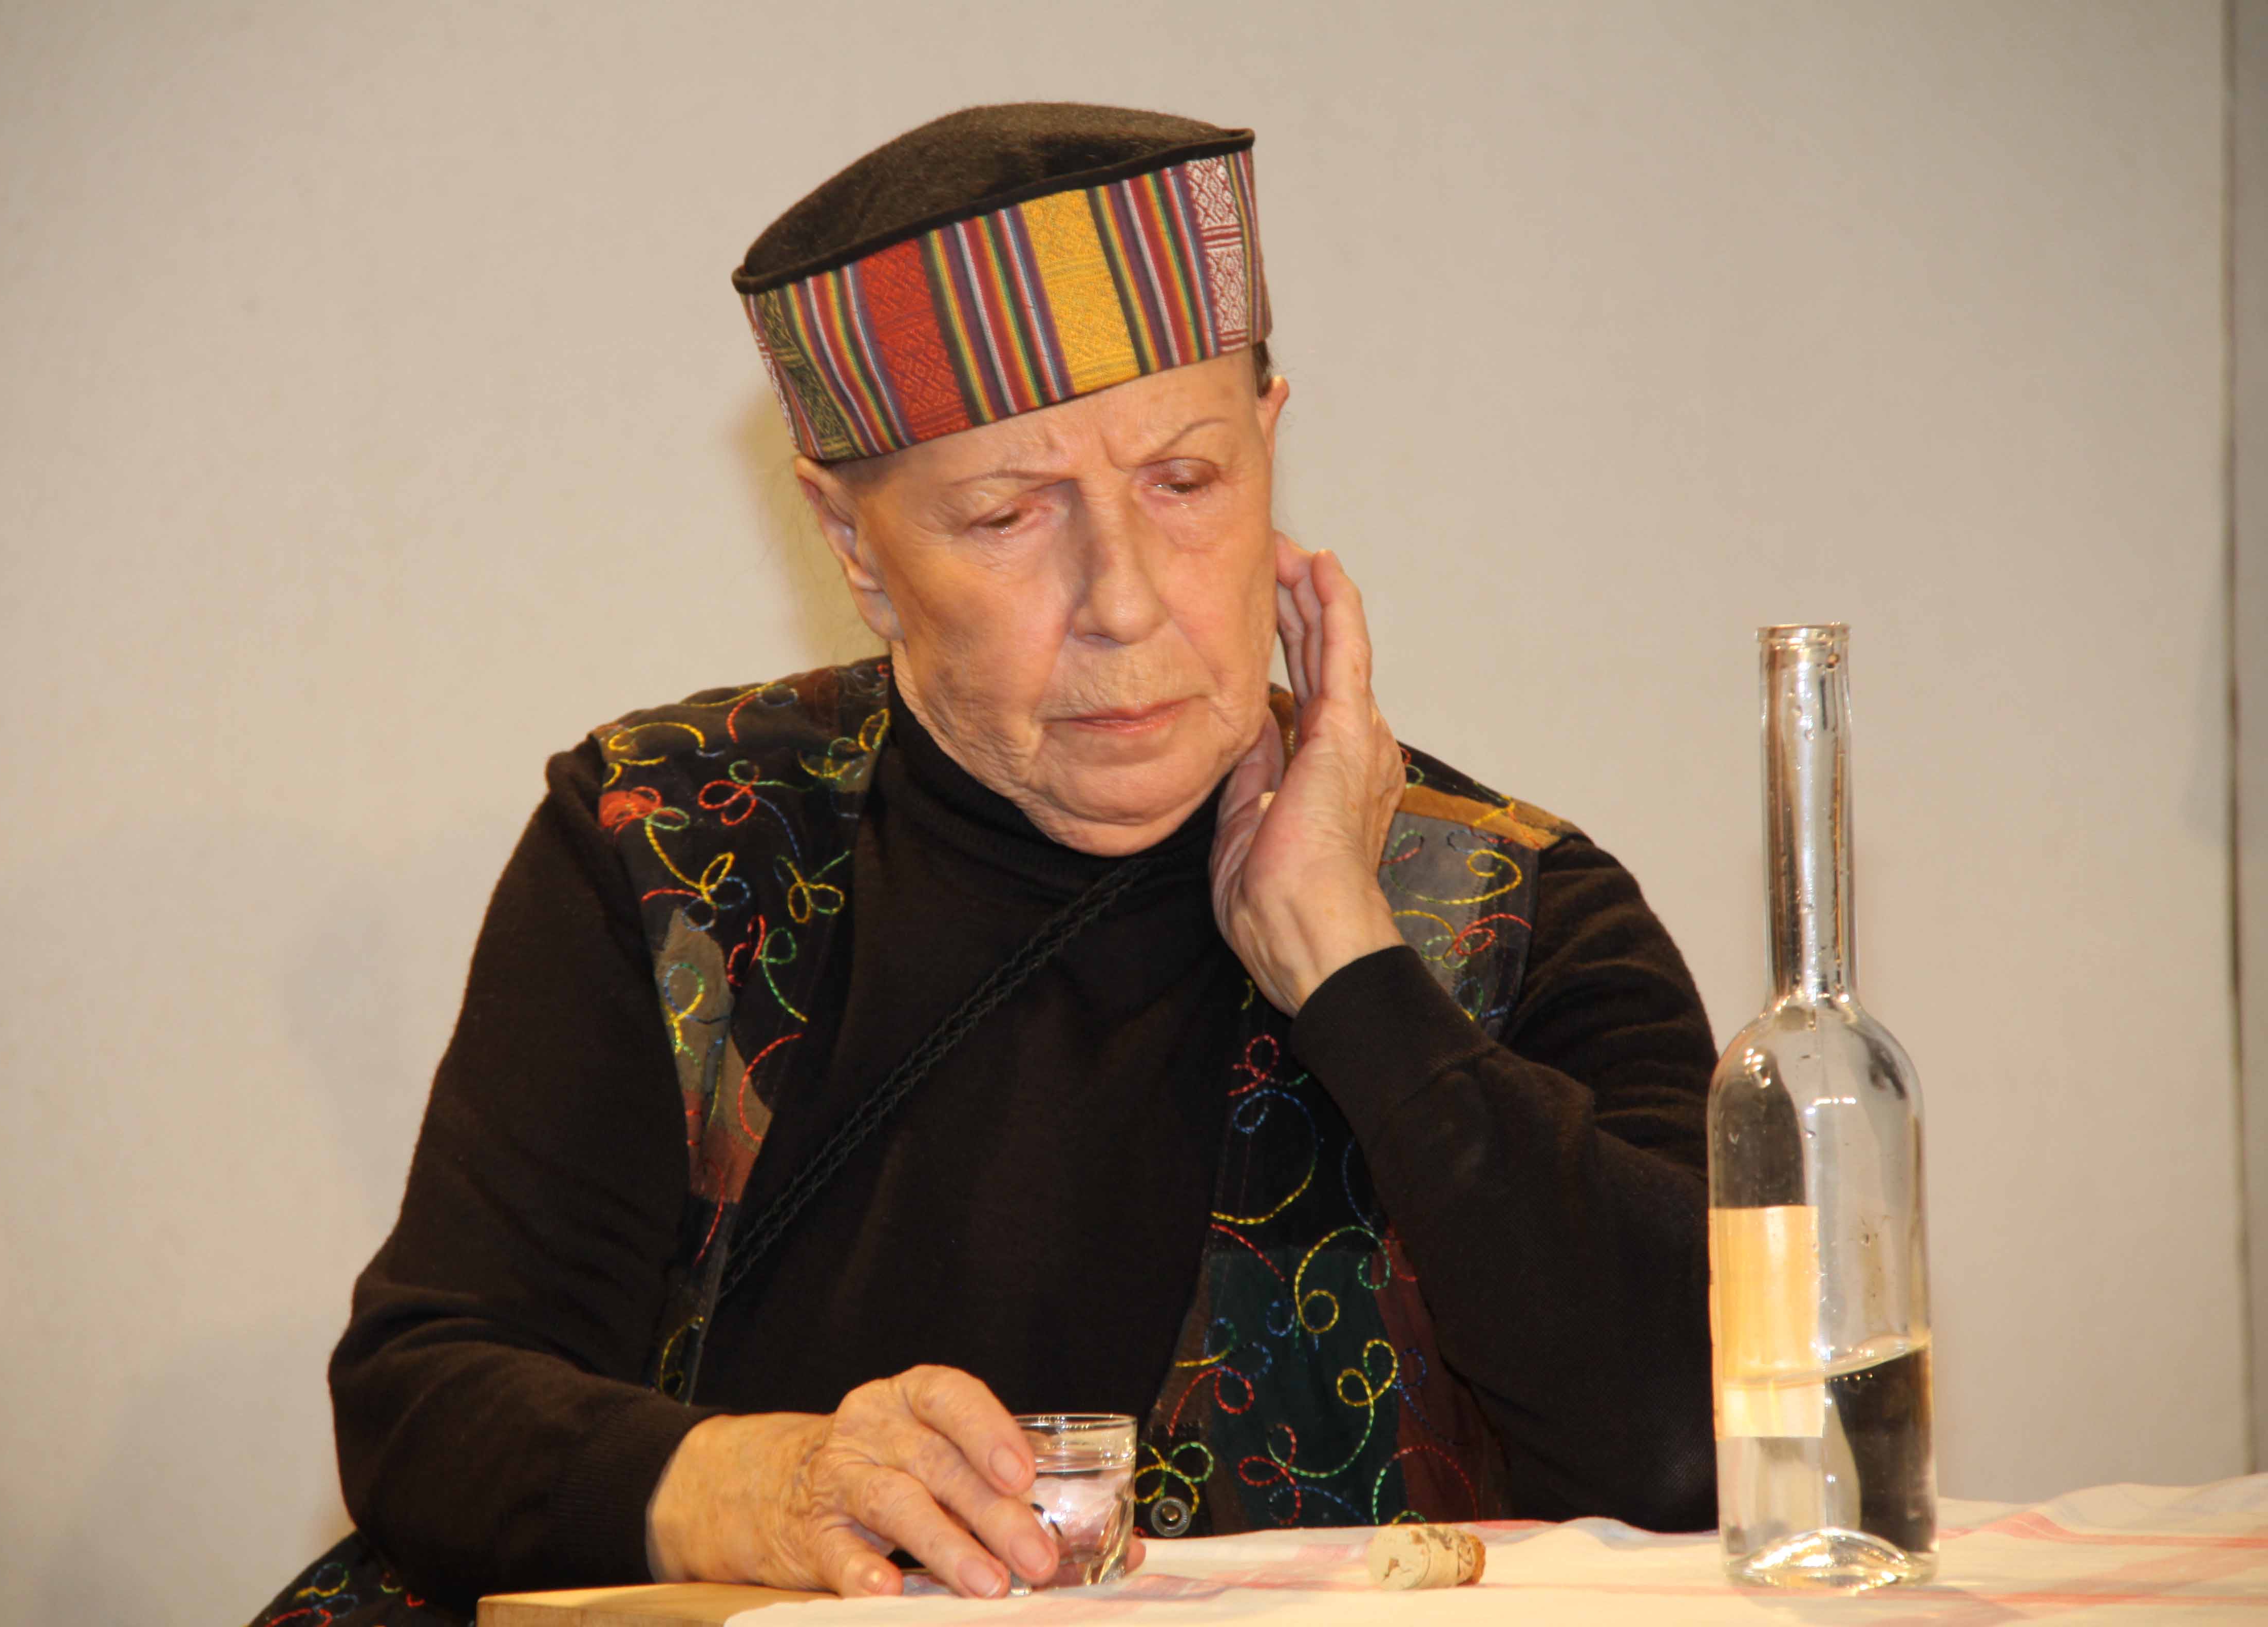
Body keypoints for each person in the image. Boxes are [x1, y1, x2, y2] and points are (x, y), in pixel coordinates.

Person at [251, 102, 1719, 1627]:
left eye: (1187, 483)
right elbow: (424, 1403)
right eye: (1010, 515)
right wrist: (763, 1485)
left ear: (1272, 447)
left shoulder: (1516, 916)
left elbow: (1712, 1451)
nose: (1125, 601)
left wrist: (1354, 972)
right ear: (855, 545)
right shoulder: (675, 845)